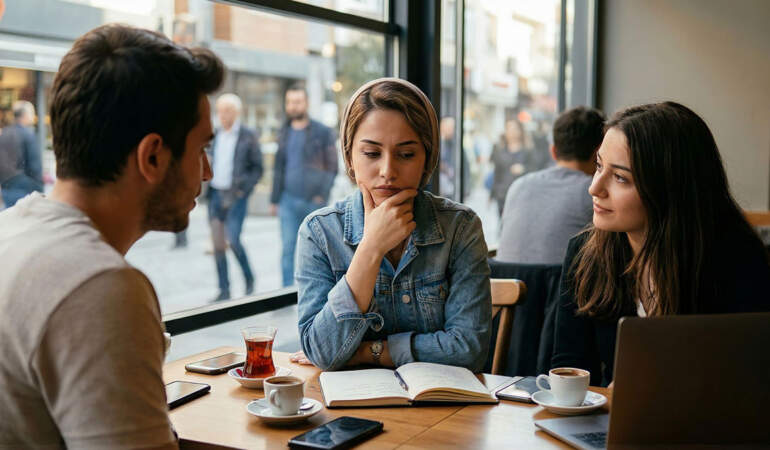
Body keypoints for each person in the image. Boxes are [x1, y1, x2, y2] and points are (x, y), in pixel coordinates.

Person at [0, 24, 223, 448]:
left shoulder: (11, 230)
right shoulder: (99, 287)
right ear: (153, 156)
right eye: (200, 149)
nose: (207, 172)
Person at [551, 102, 770, 387]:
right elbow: (570, 367)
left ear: (668, 188)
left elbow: (752, 381)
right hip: (608, 425)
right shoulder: (584, 254)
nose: (594, 187)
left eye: (620, 177)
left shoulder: (736, 261)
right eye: (599, 166)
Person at [293, 78, 492, 372]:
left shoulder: (460, 228)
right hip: (348, 410)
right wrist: (371, 248)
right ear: (349, 156)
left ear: (428, 159)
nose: (388, 171)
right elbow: (322, 351)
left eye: (407, 154)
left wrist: (368, 353)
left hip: (442, 410)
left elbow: (468, 350)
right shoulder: (320, 232)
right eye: (372, 154)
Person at [497, 106, 606, 264]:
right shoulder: (593, 192)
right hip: (562, 288)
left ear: (553, 151)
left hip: (505, 287)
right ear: (599, 153)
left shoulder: (518, 186)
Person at [270, 83, 337, 287]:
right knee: (288, 248)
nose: (293, 106)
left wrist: (322, 195)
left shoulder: (322, 131)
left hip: (313, 202)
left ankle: (316, 290)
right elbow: (279, 167)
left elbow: (331, 165)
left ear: (306, 103)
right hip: (288, 200)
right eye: (290, 102)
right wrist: (274, 199)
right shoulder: (284, 131)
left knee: (316, 250)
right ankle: (288, 293)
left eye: (297, 102)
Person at [207, 93, 262, 301]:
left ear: (237, 112)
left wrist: (242, 191)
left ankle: (249, 279)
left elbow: (258, 168)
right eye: (220, 111)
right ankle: (224, 289)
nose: (223, 115)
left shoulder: (248, 135)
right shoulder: (214, 135)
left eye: (228, 110)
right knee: (218, 243)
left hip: (236, 197)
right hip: (215, 196)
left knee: (233, 240)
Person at [0, 100, 43, 208]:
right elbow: (35, 166)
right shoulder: (28, 134)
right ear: (25, 115)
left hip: (6, 186)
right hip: (25, 188)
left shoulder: (4, 133)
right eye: (32, 113)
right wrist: (40, 187)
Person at [490, 118, 535, 217]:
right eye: (509, 129)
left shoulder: (528, 150)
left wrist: (523, 169)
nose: (512, 132)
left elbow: (535, 170)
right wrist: (493, 194)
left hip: (522, 195)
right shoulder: (500, 150)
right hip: (503, 195)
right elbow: (497, 173)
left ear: (520, 131)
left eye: (515, 129)